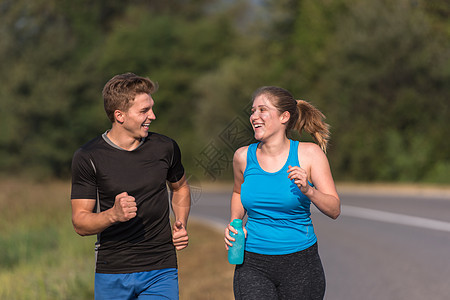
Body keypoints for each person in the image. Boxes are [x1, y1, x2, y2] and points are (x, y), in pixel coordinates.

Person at [71, 73, 190, 300]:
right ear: (120, 116)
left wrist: (181, 222)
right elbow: (80, 223)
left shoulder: (165, 147)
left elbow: (180, 188)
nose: (153, 116)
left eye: (151, 108)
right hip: (113, 269)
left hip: (161, 267)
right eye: (144, 111)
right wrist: (113, 215)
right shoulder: (88, 156)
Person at [224, 86, 340, 300]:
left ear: (284, 117)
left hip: (301, 264)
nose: (254, 117)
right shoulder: (242, 157)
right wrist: (234, 222)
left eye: (262, 110)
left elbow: (334, 209)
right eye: (252, 111)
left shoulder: (309, 154)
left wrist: (308, 191)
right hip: (252, 263)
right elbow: (238, 193)